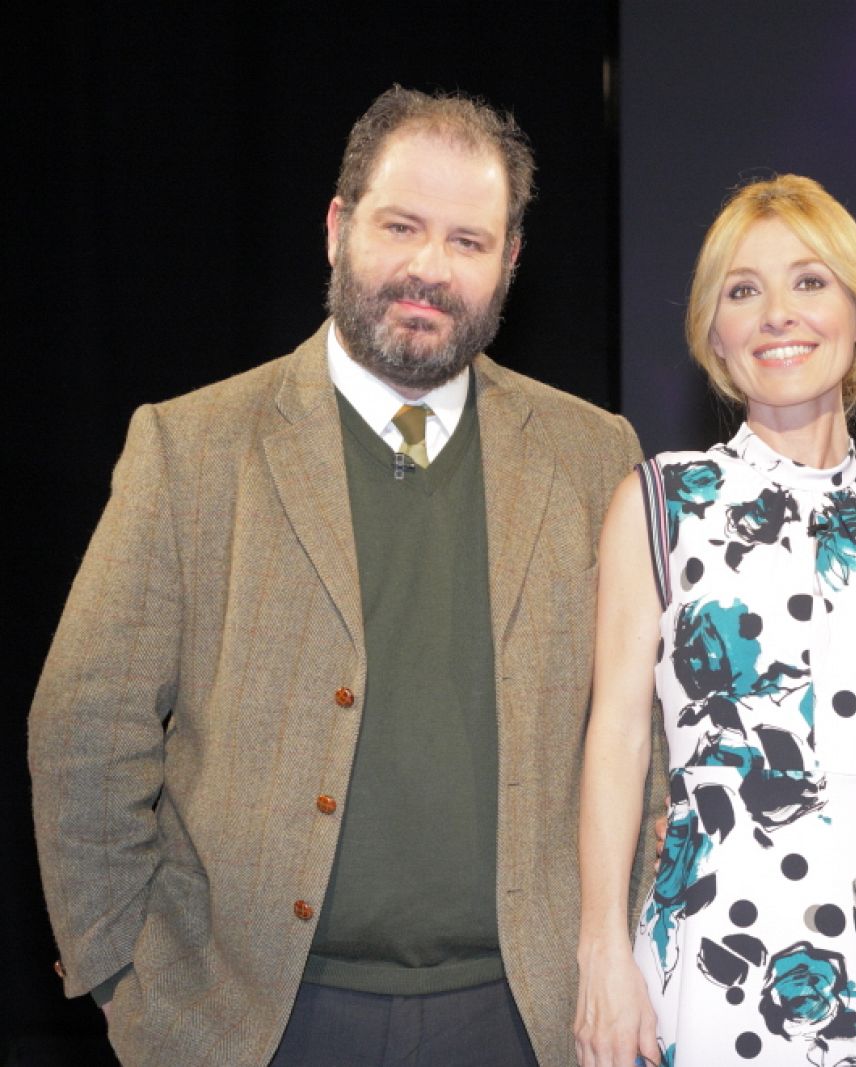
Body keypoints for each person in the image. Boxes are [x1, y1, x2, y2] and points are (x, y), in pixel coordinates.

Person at [29, 85, 660, 1067]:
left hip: (524, 1018)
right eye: (399, 225)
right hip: (253, 1022)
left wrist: (614, 949)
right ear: (337, 227)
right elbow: (84, 731)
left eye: (467, 240)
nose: (428, 267)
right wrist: (128, 979)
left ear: (510, 263)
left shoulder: (593, 453)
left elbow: (647, 740)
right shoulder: (191, 447)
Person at [573, 175, 856, 1067]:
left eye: (810, 282)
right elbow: (616, 733)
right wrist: (600, 951)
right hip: (713, 948)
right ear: (715, 337)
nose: (778, 313)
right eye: (744, 291)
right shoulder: (659, 501)